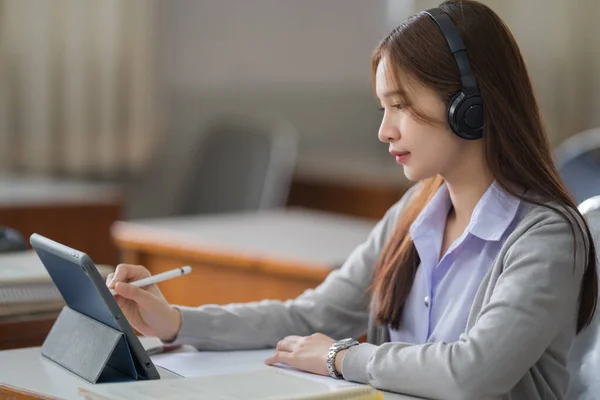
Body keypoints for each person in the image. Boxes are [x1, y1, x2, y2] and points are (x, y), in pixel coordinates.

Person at [107, 1, 598, 399]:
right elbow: (309, 316)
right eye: (383, 108)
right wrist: (177, 321)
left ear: (468, 106)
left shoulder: (546, 236)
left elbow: (471, 374)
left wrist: (339, 358)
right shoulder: (413, 214)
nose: (385, 131)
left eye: (400, 106)